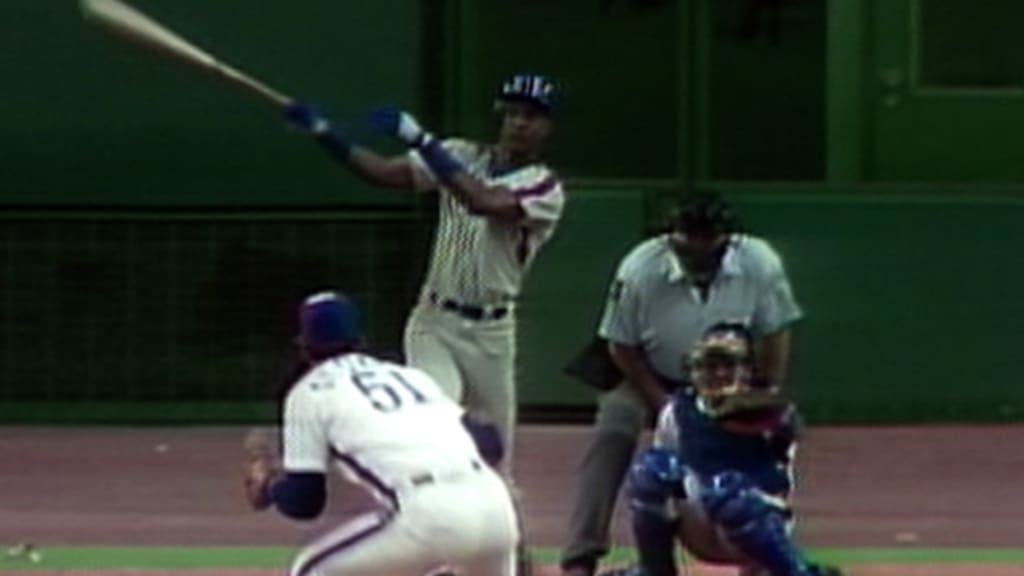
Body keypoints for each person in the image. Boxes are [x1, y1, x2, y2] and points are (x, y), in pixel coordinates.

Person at [283, 74, 566, 471]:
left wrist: (421, 140)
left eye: (532, 116)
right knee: (435, 420)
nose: (519, 123)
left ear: (547, 128)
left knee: (496, 458)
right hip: (434, 321)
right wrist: (324, 133)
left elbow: (482, 200)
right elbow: (383, 172)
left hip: (492, 333)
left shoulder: (545, 186)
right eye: (513, 113)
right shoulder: (461, 154)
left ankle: (500, 529)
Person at [561, 191, 803, 576]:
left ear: (726, 237)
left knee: (745, 463)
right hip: (650, 373)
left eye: (708, 237)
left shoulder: (759, 262)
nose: (698, 246)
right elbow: (620, 344)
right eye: (688, 236)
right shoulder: (640, 267)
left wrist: (761, 394)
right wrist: (665, 405)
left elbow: (775, 333)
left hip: (734, 381)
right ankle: (582, 555)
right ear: (671, 236)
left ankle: (766, 558)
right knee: (616, 433)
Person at [243, 290, 519, 576]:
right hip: (495, 507)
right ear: (360, 339)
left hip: (432, 514)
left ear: (304, 346)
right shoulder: (409, 377)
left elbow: (305, 502)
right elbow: (491, 444)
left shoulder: (308, 393)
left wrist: (270, 487)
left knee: (310, 570)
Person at [624, 322, 841, 576]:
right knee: (651, 470)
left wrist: (751, 414)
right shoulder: (678, 411)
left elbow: (787, 439)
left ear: (747, 370)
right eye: (708, 366)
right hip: (699, 518)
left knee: (728, 491)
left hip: (755, 516)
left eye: (729, 365)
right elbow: (670, 465)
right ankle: (654, 569)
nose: (717, 374)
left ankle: (794, 570)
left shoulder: (767, 410)